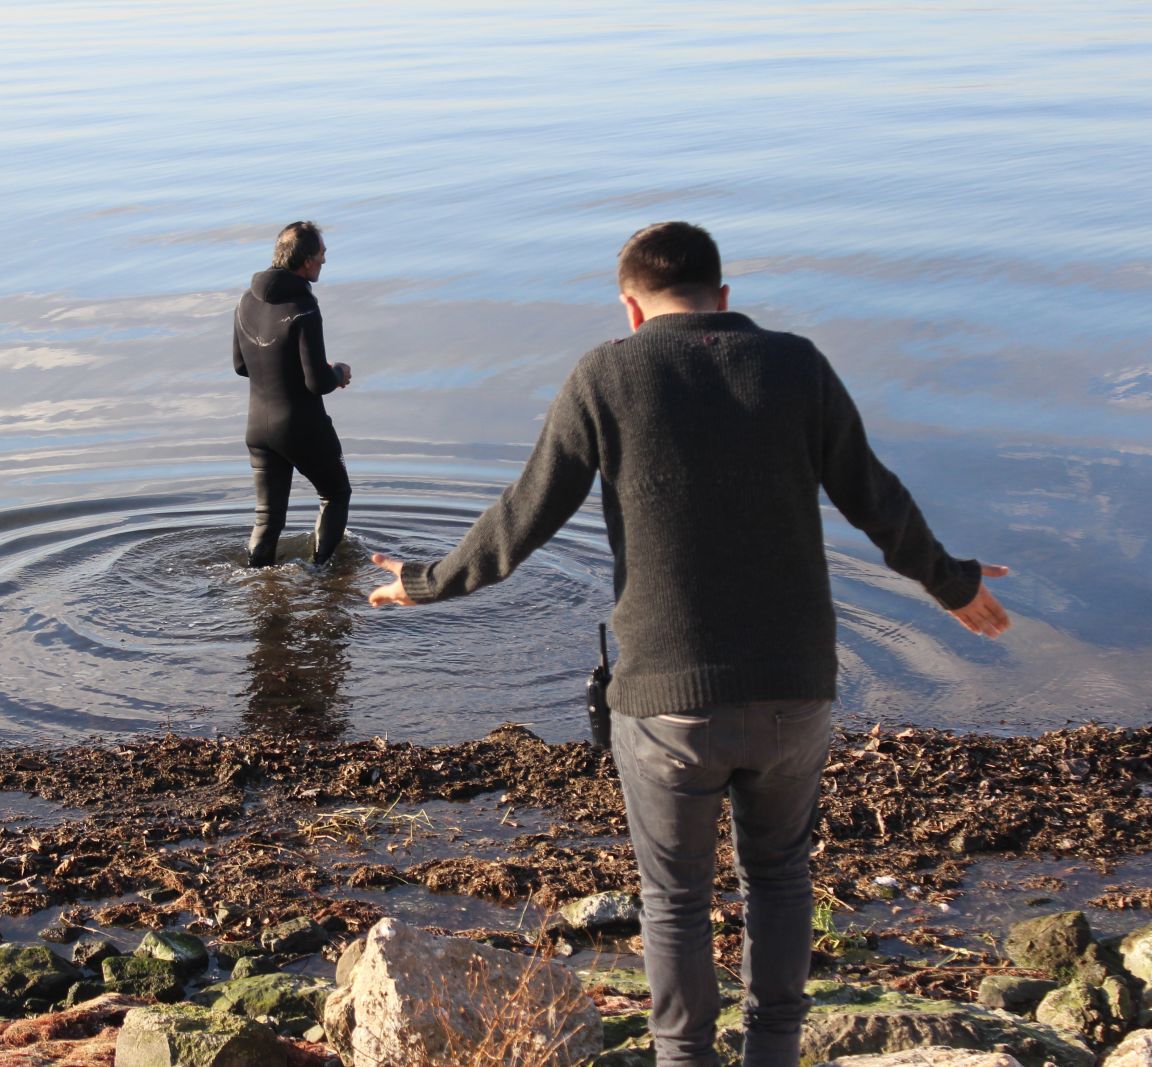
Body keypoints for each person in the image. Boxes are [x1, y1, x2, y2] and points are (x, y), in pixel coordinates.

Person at [368, 221, 1010, 1067]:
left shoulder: (607, 372)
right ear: (726, 299)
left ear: (630, 309)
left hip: (667, 705)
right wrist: (953, 582)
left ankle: (684, 1058)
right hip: (794, 692)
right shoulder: (797, 365)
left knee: (673, 897)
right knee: (778, 879)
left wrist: (424, 579)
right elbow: (876, 500)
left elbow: (520, 522)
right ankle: (771, 1054)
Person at [233, 220, 353, 567]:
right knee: (336, 494)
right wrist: (338, 373)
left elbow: (242, 366)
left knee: (267, 518)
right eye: (321, 254)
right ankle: (320, 577)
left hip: (258, 429)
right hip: (302, 425)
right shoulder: (304, 308)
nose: (324, 261)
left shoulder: (244, 302)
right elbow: (317, 382)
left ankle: (256, 582)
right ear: (305, 262)